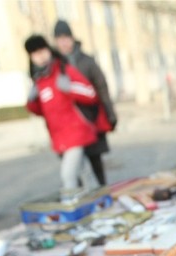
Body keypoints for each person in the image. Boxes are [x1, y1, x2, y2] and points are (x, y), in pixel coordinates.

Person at [24, 34, 100, 203]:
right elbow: (41, 111)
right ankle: (99, 201)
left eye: (42, 51)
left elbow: (90, 94)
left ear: (49, 50)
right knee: (85, 172)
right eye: (35, 54)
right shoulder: (39, 81)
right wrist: (31, 101)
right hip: (59, 136)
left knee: (68, 175)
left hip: (76, 132)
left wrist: (70, 87)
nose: (40, 56)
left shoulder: (64, 70)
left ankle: (70, 210)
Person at [53, 20, 117, 187]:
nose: (64, 42)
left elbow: (102, 88)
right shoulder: (54, 66)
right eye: (59, 38)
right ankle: (84, 205)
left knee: (95, 165)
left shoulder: (87, 62)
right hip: (68, 127)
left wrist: (110, 114)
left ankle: (102, 199)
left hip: (91, 120)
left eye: (66, 37)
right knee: (76, 171)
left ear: (72, 38)